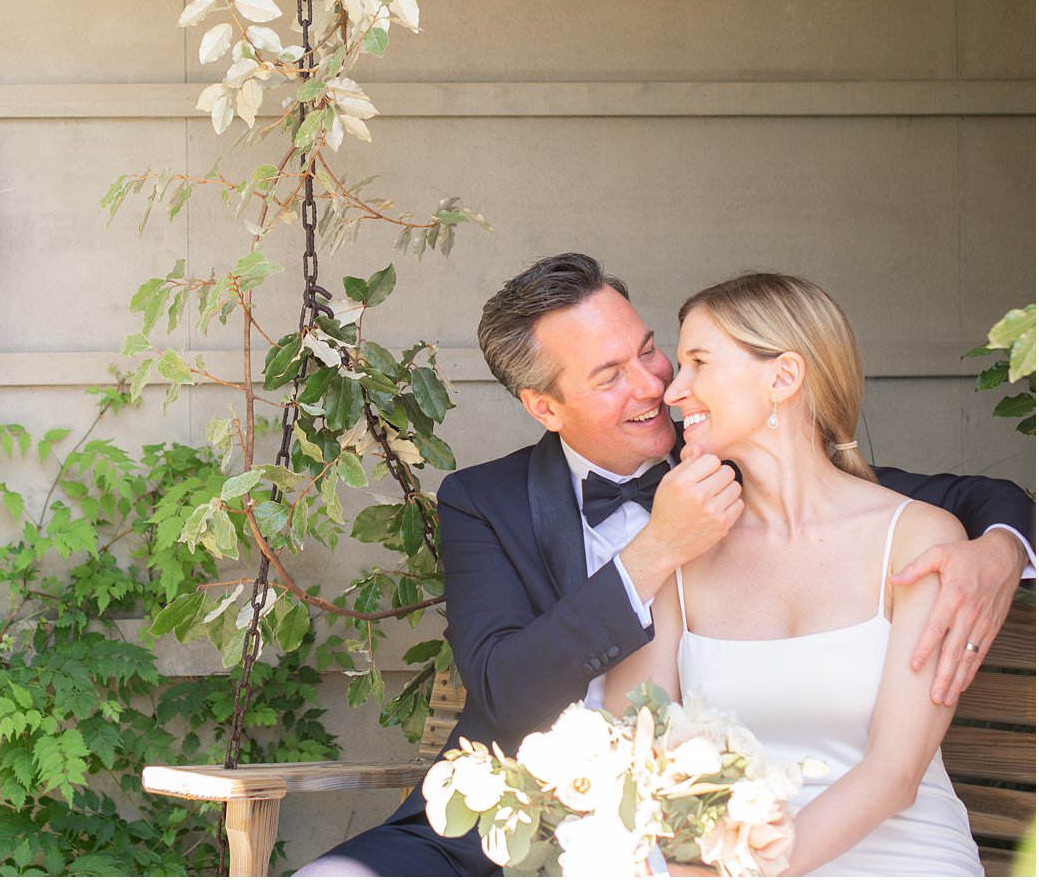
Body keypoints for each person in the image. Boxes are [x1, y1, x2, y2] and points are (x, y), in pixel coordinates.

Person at [297, 254, 1033, 877]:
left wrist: (1004, 546)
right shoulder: (485, 502)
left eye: (654, 351)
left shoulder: (758, 465)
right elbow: (509, 688)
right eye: (610, 375)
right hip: (513, 829)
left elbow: (954, 499)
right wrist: (653, 552)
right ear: (545, 407)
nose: (658, 387)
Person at [603, 273, 985, 875]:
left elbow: (895, 773)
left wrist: (747, 870)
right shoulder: (683, 547)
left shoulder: (916, 539)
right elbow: (632, 737)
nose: (673, 391)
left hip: (897, 855)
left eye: (699, 363)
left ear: (783, 378)